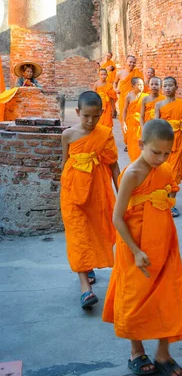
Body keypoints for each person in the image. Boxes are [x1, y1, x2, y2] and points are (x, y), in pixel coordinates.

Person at [103, 119, 182, 376]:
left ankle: (163, 353)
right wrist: (135, 250)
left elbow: (166, 198)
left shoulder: (164, 170)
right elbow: (118, 217)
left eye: (167, 153)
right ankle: (136, 351)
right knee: (135, 299)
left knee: (170, 295)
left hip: (164, 243)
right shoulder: (131, 174)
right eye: (156, 152)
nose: (161, 158)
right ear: (141, 144)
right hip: (135, 246)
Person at [60, 91, 120, 309]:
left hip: (97, 193)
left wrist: (121, 194)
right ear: (78, 112)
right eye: (86, 116)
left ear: (102, 113)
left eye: (95, 117)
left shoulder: (105, 134)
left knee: (95, 231)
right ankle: (86, 289)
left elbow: (113, 165)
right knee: (77, 235)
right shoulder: (68, 135)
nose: (90, 121)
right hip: (73, 192)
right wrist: (63, 189)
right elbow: (65, 163)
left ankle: (88, 266)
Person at [155, 76, 182, 217]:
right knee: (163, 173)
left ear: (176, 87)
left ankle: (172, 204)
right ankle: (162, 200)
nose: (167, 88)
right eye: (165, 86)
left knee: (174, 174)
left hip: (178, 142)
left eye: (170, 85)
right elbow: (156, 126)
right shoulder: (159, 105)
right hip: (163, 143)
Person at [114, 55, 143, 148]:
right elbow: (115, 82)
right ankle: (127, 141)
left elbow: (142, 85)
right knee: (124, 118)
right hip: (124, 99)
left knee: (134, 119)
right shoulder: (120, 73)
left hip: (135, 99)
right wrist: (115, 89)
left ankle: (135, 138)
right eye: (130, 62)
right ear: (126, 62)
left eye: (133, 62)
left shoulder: (137, 73)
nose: (132, 64)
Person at [122, 77, 148, 162]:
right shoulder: (129, 97)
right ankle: (134, 160)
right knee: (133, 143)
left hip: (143, 122)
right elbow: (125, 110)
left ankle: (141, 160)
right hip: (132, 123)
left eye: (142, 85)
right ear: (133, 86)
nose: (141, 87)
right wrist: (124, 123)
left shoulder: (146, 96)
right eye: (139, 85)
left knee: (142, 141)